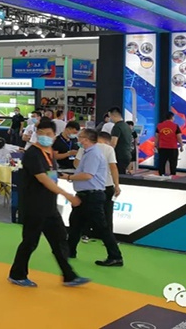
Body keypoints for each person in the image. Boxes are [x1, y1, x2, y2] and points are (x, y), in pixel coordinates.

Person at [8, 119, 88, 288]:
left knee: (60, 240)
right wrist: (67, 195)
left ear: (54, 135)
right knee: (30, 241)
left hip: (49, 206)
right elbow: (43, 179)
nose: (45, 136)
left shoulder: (49, 152)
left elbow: (51, 175)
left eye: (48, 134)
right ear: (37, 134)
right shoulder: (32, 154)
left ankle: (69, 275)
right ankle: (17, 274)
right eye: (41, 133)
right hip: (34, 206)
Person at [63, 128, 124, 267]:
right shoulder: (87, 152)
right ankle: (69, 250)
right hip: (85, 194)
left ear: (86, 139)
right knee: (75, 223)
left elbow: (87, 175)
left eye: (80, 137)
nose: (78, 139)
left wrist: (69, 177)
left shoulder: (93, 154)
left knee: (101, 227)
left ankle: (115, 256)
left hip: (92, 195)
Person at [76, 131, 121, 234]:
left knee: (85, 212)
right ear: (107, 141)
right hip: (106, 184)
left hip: (88, 185)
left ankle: (86, 234)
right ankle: (107, 236)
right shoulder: (108, 149)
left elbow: (76, 163)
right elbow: (113, 167)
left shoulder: (84, 148)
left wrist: (85, 171)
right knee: (106, 214)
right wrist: (117, 185)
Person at [155, 112, 183, 176]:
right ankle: (173, 176)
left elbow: (157, 136)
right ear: (172, 117)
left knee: (162, 163)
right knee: (173, 163)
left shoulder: (159, 125)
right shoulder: (175, 126)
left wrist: (155, 145)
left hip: (162, 147)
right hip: (172, 148)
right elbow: (179, 137)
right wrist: (181, 146)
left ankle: (161, 175)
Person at [107, 107, 132, 175]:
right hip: (127, 154)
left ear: (114, 115)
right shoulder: (126, 126)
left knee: (117, 175)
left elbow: (113, 143)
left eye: (110, 116)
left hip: (119, 156)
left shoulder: (117, 127)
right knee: (122, 174)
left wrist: (108, 154)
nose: (110, 119)